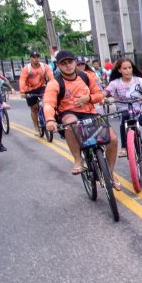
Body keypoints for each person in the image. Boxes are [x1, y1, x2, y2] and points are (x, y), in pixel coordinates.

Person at [43, 50, 119, 186]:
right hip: (68, 114)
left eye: (70, 62)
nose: (68, 66)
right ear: (58, 66)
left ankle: (110, 173)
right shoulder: (54, 83)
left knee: (112, 139)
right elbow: (48, 103)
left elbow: (100, 95)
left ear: (75, 62)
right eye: (63, 63)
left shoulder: (86, 76)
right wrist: (50, 120)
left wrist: (88, 98)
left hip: (90, 112)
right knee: (71, 123)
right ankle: (78, 160)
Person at [104, 58, 142, 158]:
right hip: (124, 109)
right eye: (124, 68)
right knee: (124, 118)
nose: (128, 70)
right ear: (119, 70)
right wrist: (102, 97)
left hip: (139, 109)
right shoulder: (115, 83)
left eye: (129, 68)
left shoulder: (140, 81)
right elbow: (105, 92)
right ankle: (124, 147)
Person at [19, 50, 54, 133]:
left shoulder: (44, 66)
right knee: (34, 108)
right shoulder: (26, 69)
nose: (36, 59)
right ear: (30, 58)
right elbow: (22, 80)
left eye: (37, 57)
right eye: (34, 57)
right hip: (29, 89)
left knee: (47, 104)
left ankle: (49, 120)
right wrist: (22, 92)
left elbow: (51, 77)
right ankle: (36, 126)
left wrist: (53, 87)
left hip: (41, 87)